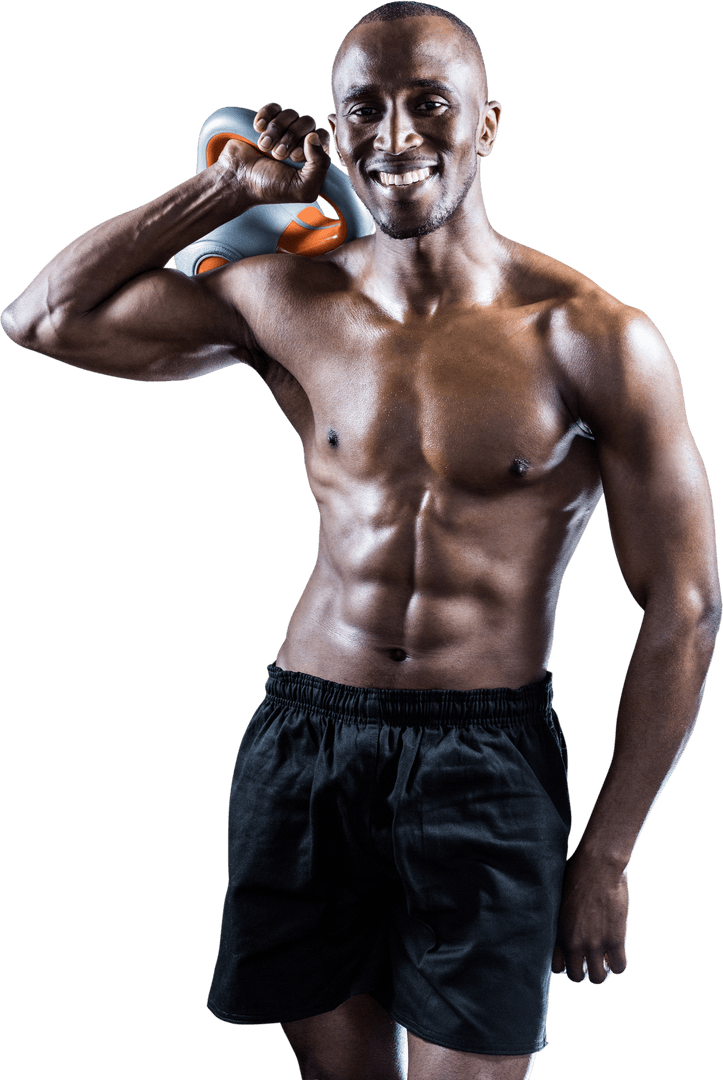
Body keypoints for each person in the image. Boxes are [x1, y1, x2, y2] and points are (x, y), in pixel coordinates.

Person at [2, 2, 719, 1077]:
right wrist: (229, 190)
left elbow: (687, 604)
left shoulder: (592, 337)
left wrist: (609, 852)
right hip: (306, 743)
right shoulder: (285, 295)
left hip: (485, 760)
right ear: (335, 133)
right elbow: (43, 318)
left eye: (430, 105)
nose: (395, 137)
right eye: (365, 110)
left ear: (487, 126)